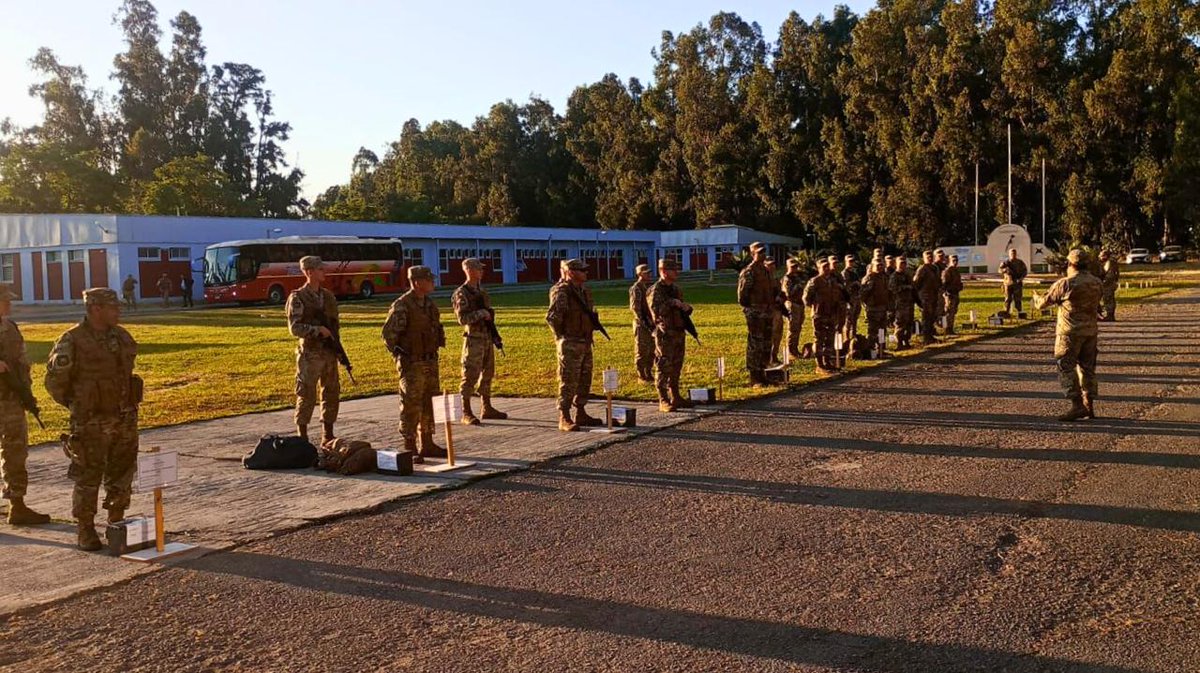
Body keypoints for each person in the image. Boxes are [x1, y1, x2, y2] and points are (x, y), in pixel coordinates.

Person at [44, 288, 142, 551]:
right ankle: (85, 530)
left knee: (122, 474)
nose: (118, 312)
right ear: (95, 309)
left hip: (124, 418)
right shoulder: (72, 340)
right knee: (88, 477)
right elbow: (55, 382)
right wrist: (79, 405)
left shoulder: (121, 337)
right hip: (91, 423)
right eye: (113, 308)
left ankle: (117, 524)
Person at [382, 266, 447, 461]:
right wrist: (402, 357)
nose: (432, 283)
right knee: (411, 404)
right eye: (429, 280)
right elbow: (389, 335)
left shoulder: (429, 304)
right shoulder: (402, 305)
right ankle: (409, 446)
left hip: (430, 361)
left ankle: (427, 443)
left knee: (429, 402)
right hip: (412, 364)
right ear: (417, 282)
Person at [0, 285, 51, 526]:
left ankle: (17, 505)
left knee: (15, 451)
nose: (8, 304)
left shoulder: (10, 328)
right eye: (4, 300)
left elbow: (21, 362)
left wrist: (26, 392)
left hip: (11, 399)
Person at [1034, 249, 1103, 421]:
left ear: (1070, 264)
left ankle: (1077, 405)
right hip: (1090, 332)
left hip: (1069, 333)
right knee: (1087, 368)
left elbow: (1043, 304)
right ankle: (1089, 405)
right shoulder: (1096, 282)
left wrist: (1036, 298)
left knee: (1065, 366)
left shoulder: (1065, 283)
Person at [285, 256, 340, 446]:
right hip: (310, 354)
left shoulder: (328, 296)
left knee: (331, 392)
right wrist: (317, 331)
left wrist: (338, 349)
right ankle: (302, 438)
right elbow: (295, 328)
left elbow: (334, 325)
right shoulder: (298, 297)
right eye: (319, 269)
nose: (323, 272)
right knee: (306, 394)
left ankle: (328, 434)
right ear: (309, 272)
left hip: (328, 353)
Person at [546, 259, 603, 431]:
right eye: (582, 270)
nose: (586, 273)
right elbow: (553, 317)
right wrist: (562, 337)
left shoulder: (584, 290)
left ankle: (581, 411)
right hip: (570, 341)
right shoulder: (561, 291)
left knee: (584, 378)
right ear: (571, 272)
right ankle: (564, 415)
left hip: (585, 340)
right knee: (568, 379)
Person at [452, 258, 506, 425]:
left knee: (488, 373)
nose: (481, 272)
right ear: (468, 270)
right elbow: (462, 319)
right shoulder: (462, 293)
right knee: (470, 374)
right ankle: (466, 411)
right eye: (478, 269)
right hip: (474, 338)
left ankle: (486, 407)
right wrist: (480, 314)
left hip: (486, 337)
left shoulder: (482, 291)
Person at [649, 259, 694, 412]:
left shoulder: (676, 289)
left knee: (677, 365)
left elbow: (681, 308)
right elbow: (655, 312)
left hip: (678, 331)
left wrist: (686, 307)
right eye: (673, 269)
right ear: (664, 271)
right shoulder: (655, 290)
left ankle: (675, 395)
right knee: (664, 365)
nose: (677, 272)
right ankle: (663, 399)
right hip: (665, 333)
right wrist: (671, 303)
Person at [737, 242, 776, 385]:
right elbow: (742, 296)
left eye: (764, 252)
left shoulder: (766, 271)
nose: (763, 254)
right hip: (755, 312)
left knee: (767, 343)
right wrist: (752, 309)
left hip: (767, 311)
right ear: (752, 254)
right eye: (759, 252)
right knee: (756, 344)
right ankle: (754, 376)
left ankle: (762, 372)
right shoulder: (749, 271)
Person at [803, 259, 848, 372]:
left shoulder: (833, 281)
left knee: (830, 338)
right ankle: (820, 364)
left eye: (828, 266)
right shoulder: (815, 281)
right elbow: (806, 298)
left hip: (832, 313)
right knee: (819, 339)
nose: (827, 269)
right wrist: (815, 306)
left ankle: (827, 361)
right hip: (820, 314)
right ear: (819, 268)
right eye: (824, 267)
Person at [629, 264, 655, 383]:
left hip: (651, 323)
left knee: (652, 349)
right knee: (642, 350)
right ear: (640, 274)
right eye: (646, 273)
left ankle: (648, 371)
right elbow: (635, 308)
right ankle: (641, 374)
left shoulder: (648, 287)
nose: (649, 275)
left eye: (649, 273)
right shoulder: (636, 288)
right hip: (641, 324)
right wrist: (644, 322)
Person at [860, 260, 891, 354]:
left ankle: (881, 349)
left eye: (881, 265)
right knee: (872, 331)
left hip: (883, 307)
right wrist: (868, 304)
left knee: (882, 330)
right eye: (877, 265)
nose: (880, 267)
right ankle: (871, 350)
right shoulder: (869, 278)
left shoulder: (884, 277)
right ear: (872, 266)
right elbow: (863, 294)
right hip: (873, 308)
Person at [912, 250, 942, 344]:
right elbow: (916, 283)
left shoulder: (935, 268)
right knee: (926, 317)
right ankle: (926, 337)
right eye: (927, 257)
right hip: (925, 297)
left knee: (933, 316)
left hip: (934, 295)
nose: (930, 258)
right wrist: (919, 296)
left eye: (931, 256)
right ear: (924, 258)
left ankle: (930, 335)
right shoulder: (922, 269)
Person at [781, 258, 806, 360]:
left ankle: (795, 349)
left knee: (798, 327)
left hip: (800, 304)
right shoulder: (787, 279)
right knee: (792, 328)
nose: (794, 268)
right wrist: (798, 286)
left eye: (796, 266)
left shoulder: (797, 277)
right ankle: (791, 350)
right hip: (792, 304)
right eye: (792, 267)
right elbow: (788, 294)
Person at [889, 256, 916, 349]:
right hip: (900, 304)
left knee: (909, 323)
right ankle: (899, 342)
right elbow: (892, 289)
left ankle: (907, 341)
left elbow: (913, 288)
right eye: (901, 263)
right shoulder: (894, 276)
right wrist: (905, 287)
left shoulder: (908, 275)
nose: (903, 265)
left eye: (904, 263)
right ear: (896, 264)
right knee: (900, 323)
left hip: (909, 302)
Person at [765, 258, 784, 365]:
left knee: (778, 334)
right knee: (769, 336)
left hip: (777, 310)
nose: (772, 267)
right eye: (769, 265)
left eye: (773, 265)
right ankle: (767, 359)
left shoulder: (776, 280)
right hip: (768, 311)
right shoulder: (763, 281)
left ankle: (774, 356)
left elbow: (781, 292)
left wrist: (781, 297)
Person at [999, 248, 1028, 315]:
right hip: (1008, 283)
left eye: (1014, 253)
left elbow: (1025, 271)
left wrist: (1021, 278)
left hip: (1017, 284)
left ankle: (1019, 312)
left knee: (1018, 299)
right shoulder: (1006, 262)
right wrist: (1005, 270)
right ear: (1009, 254)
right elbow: (1000, 270)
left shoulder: (1020, 262)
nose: (1013, 255)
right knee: (1008, 299)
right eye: (1011, 253)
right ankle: (1006, 312)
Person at [942, 255, 964, 335]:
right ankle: (948, 329)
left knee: (953, 311)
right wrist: (946, 293)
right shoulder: (948, 271)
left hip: (955, 293)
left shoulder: (956, 270)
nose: (955, 262)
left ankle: (951, 328)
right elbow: (944, 284)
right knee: (949, 311)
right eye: (953, 260)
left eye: (956, 260)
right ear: (950, 261)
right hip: (950, 294)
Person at [841, 254, 861, 343]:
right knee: (848, 320)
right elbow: (845, 287)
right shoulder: (844, 273)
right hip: (849, 299)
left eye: (852, 261)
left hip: (856, 298)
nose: (851, 263)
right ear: (846, 262)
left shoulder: (854, 273)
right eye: (850, 261)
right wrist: (855, 283)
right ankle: (846, 339)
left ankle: (853, 336)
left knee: (854, 319)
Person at [1099, 250, 1120, 322]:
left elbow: (1109, 275)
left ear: (1105, 255)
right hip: (1110, 283)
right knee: (1109, 299)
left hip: (1108, 284)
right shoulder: (1111, 262)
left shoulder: (1110, 263)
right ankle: (1110, 315)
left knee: (1108, 299)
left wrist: (1103, 282)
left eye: (1102, 256)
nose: (1100, 257)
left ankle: (1110, 315)